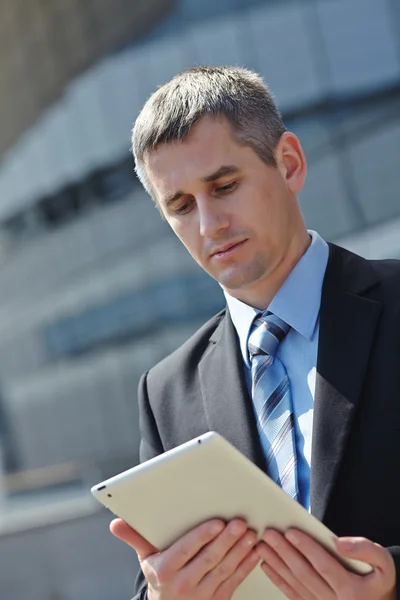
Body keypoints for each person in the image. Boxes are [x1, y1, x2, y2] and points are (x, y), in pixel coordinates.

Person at [109, 66, 400, 600]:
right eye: (180, 206)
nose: (208, 224)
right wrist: (160, 595)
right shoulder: (166, 390)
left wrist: (395, 581)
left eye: (224, 186)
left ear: (288, 164)